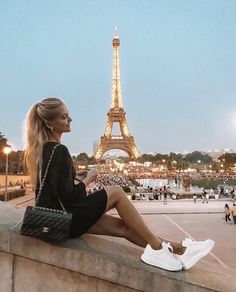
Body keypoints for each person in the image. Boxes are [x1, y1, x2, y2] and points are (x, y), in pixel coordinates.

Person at [24, 97, 214, 272]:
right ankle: (157, 250)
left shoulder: (42, 150)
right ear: (49, 123)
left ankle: (180, 249)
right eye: (64, 117)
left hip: (56, 220)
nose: (70, 119)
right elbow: (70, 196)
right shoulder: (59, 150)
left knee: (124, 228)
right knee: (116, 192)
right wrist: (90, 178)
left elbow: (54, 188)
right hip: (66, 219)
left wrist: (75, 176)